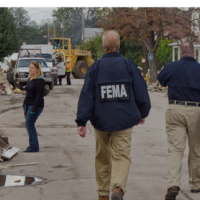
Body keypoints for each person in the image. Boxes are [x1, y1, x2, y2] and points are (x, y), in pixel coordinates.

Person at [75, 30, 151, 200]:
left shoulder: (95, 68)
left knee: (102, 157)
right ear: (118, 46)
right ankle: (118, 188)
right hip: (124, 121)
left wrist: (81, 121)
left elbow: (87, 96)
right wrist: (142, 112)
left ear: (103, 47)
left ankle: (103, 194)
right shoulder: (129, 66)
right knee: (121, 156)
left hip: (101, 122)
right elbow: (141, 93)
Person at [157, 42, 200, 200]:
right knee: (196, 149)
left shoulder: (171, 66)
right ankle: (196, 184)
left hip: (175, 108)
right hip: (197, 110)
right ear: (194, 54)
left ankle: (173, 184)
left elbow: (161, 81)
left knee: (175, 149)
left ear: (181, 54)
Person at [23, 61, 45, 152]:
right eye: (30, 67)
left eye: (32, 68)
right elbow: (28, 93)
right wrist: (24, 104)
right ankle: (32, 145)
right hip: (28, 104)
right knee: (29, 124)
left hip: (35, 105)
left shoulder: (40, 80)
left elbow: (39, 95)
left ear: (37, 70)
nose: (30, 69)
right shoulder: (30, 79)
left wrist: (34, 108)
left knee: (29, 124)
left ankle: (34, 146)